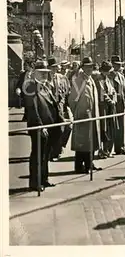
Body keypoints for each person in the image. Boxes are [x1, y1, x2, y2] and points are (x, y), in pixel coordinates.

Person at [24, 60, 65, 191]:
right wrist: (40, 126)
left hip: (50, 127)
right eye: (41, 73)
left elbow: (53, 104)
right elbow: (33, 109)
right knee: (37, 155)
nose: (44, 75)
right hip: (39, 128)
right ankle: (35, 183)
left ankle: (44, 179)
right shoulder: (30, 86)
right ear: (35, 72)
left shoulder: (45, 86)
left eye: (46, 73)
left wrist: (61, 119)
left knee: (45, 155)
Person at [68, 57, 102, 173]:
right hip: (82, 115)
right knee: (82, 143)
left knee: (90, 141)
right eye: (87, 67)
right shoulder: (79, 81)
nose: (89, 69)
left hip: (92, 115)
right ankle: (79, 167)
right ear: (82, 68)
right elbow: (72, 100)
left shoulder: (90, 79)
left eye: (91, 67)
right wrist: (77, 112)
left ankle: (89, 163)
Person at [46, 57, 73, 161]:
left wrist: (66, 106)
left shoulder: (62, 78)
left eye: (55, 67)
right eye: (51, 67)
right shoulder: (45, 79)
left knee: (68, 126)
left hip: (61, 107)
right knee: (53, 129)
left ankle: (60, 146)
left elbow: (67, 92)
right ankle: (53, 152)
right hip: (49, 108)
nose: (54, 69)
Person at [110, 55, 125, 155]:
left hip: (121, 104)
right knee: (113, 126)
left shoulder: (121, 76)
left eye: (119, 65)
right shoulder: (110, 76)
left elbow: (124, 89)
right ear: (112, 64)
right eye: (116, 65)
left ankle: (120, 147)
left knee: (120, 126)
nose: (118, 66)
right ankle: (109, 149)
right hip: (113, 104)